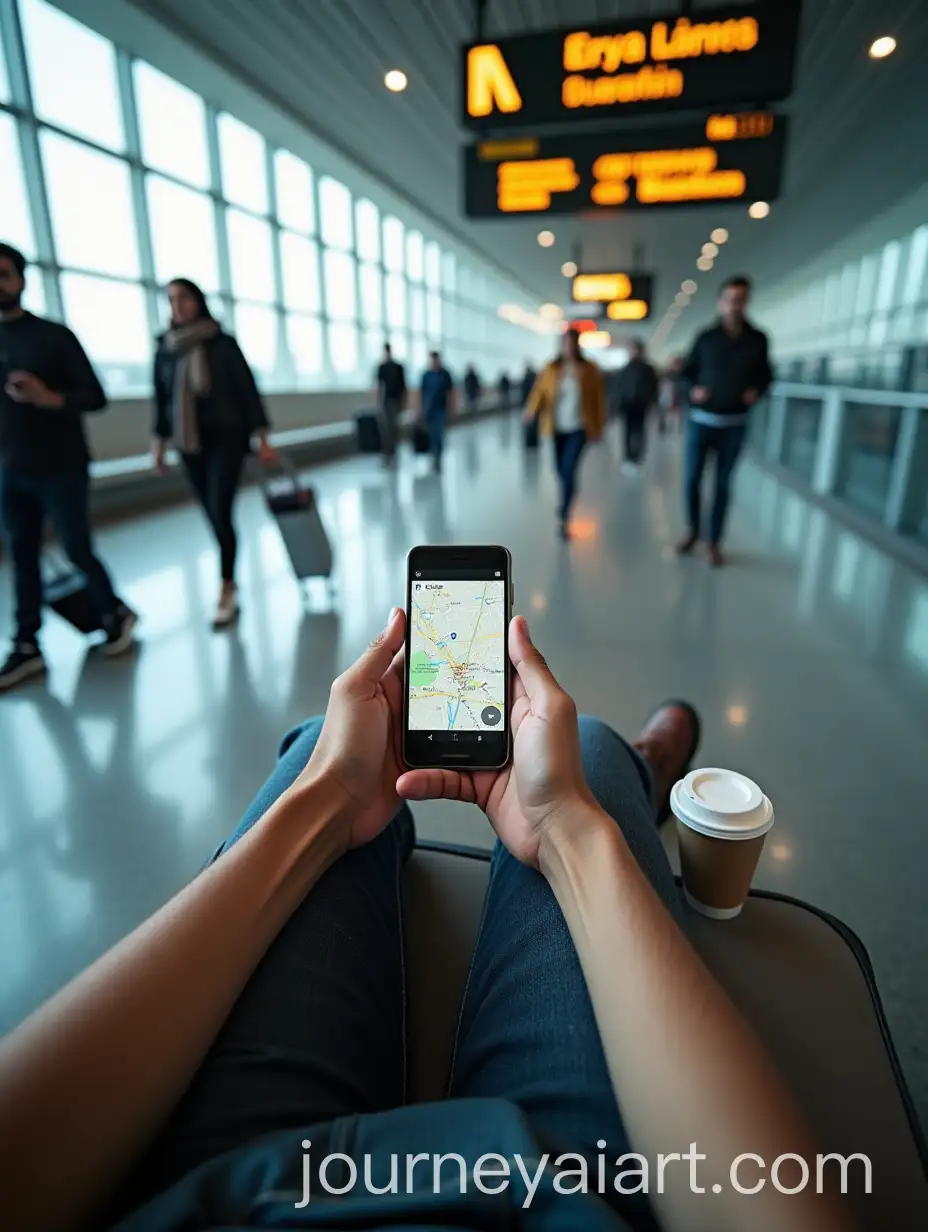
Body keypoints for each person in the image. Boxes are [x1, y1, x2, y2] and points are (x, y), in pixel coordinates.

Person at [0, 610, 851, 1232]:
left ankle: (581, 778)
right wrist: (569, 832)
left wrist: (328, 804)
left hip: (235, 1193)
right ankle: (632, 769)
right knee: (582, 750)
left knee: (316, 749)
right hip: (555, 1195)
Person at [0, 243, 137, 691]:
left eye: (3, 274)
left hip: (60, 465)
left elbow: (95, 396)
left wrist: (48, 397)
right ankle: (26, 644)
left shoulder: (53, 336)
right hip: (9, 467)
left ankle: (112, 611)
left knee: (77, 546)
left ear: (20, 280)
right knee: (21, 557)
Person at [152, 279, 275, 628]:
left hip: (227, 439)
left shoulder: (222, 344)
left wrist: (263, 437)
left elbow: (247, 391)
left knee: (220, 510)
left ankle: (227, 586)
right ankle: (228, 574)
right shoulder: (165, 348)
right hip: (188, 443)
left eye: (184, 298)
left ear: (198, 301)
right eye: (171, 299)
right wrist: (158, 443)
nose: (178, 305)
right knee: (211, 512)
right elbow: (161, 399)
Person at [677, 276, 773, 568]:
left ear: (746, 303)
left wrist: (756, 391)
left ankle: (713, 541)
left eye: (740, 300)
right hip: (702, 420)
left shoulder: (758, 340)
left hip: (734, 423)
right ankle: (694, 529)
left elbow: (767, 376)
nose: (734, 305)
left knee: (722, 484)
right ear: (721, 303)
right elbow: (685, 373)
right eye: (730, 299)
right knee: (692, 477)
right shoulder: (706, 337)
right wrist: (692, 390)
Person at [525, 327, 606, 539]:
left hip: (580, 427)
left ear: (577, 345)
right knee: (560, 470)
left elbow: (598, 399)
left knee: (569, 469)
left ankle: (564, 514)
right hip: (556, 427)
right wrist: (531, 411)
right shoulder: (552, 368)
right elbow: (539, 392)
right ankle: (567, 496)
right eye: (565, 343)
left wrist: (599, 427)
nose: (568, 347)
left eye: (572, 343)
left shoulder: (589, 369)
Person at [613, 339, 658, 474]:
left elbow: (654, 388)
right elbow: (619, 388)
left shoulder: (648, 370)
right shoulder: (625, 369)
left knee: (639, 432)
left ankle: (636, 457)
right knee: (627, 432)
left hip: (641, 405)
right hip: (627, 405)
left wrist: (652, 402)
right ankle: (628, 457)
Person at [418, 350, 455, 472]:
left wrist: (451, 409)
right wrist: (421, 410)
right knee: (432, 434)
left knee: (439, 434)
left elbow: (450, 393)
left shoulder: (445, 375)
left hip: (441, 408)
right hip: (429, 410)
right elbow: (422, 394)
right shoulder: (426, 375)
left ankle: (438, 457)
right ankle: (434, 456)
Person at [373, 342, 407, 463]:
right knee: (385, 428)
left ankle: (392, 451)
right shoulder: (381, 367)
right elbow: (379, 386)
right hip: (385, 401)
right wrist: (378, 402)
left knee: (393, 427)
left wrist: (403, 403)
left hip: (395, 401)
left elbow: (403, 386)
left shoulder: (398, 367)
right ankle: (387, 451)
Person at [657, 355, 685, 435]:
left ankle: (677, 430)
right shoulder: (667, 374)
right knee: (665, 415)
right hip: (667, 397)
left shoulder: (682, 374)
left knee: (677, 417)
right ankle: (663, 429)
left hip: (678, 398)